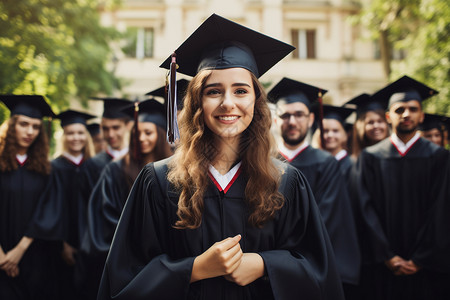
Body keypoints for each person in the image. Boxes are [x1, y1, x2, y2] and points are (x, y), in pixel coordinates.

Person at [97, 14, 344, 300]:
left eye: (241, 90)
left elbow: (320, 273)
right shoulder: (159, 181)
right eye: (214, 91)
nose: (228, 103)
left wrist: (266, 264)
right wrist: (194, 269)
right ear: (197, 102)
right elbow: (124, 278)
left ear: (256, 101)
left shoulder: (286, 182)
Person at [352, 75, 450, 300]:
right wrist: (387, 255)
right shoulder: (371, 157)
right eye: (399, 110)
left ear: (421, 115)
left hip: (426, 268)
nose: (406, 114)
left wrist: (421, 258)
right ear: (388, 116)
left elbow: (441, 211)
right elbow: (364, 209)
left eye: (412, 109)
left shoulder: (439, 157)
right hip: (382, 266)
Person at [269, 77, 360, 298]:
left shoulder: (325, 163)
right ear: (275, 120)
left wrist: (288, 259)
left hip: (309, 267)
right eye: (285, 115)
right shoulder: (263, 163)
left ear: (311, 119)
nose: (292, 121)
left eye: (299, 115)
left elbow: (327, 220)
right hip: (268, 269)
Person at [80, 99, 172, 299]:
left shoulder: (173, 171)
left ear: (160, 134)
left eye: (148, 132)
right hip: (128, 260)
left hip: (167, 264)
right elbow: (103, 216)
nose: (141, 138)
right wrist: (137, 242)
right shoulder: (116, 169)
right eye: (137, 133)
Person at [26, 109, 96, 299]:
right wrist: (63, 245)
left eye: (80, 133)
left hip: (92, 243)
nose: (76, 137)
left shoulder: (94, 165)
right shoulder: (54, 167)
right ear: (63, 136)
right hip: (62, 245)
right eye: (70, 133)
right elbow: (53, 209)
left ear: (86, 136)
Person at [0, 95, 58, 300]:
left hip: (33, 256)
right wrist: (2, 256)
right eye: (24, 124)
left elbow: (47, 211)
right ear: (11, 125)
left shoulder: (45, 169)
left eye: (35, 126)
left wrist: (19, 250)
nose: (30, 132)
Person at [312, 104, 355, 179]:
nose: (330, 135)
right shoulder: (313, 163)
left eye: (335, 131)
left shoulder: (352, 165)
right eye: (325, 131)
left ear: (344, 134)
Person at [345, 93, 390, 159]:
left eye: (380, 121)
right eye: (370, 122)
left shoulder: (395, 156)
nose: (376, 126)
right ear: (360, 127)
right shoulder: (353, 161)